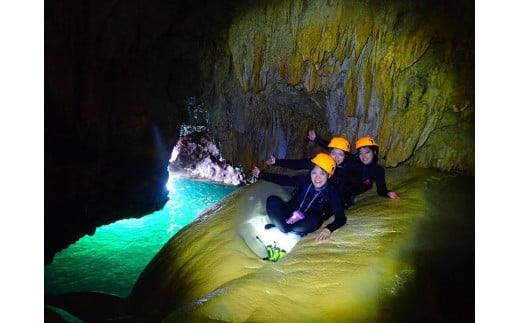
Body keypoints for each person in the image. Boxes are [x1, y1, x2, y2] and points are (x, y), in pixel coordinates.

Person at [252, 153, 346, 242]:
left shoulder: (331, 192)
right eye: (314, 173)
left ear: (329, 175)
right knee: (272, 201)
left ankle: (284, 227)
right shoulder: (305, 180)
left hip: (307, 221)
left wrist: (329, 229)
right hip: (291, 212)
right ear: (310, 173)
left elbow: (341, 218)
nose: (317, 177)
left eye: (322, 174)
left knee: (315, 221)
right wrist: (261, 174)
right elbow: (284, 180)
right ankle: (285, 227)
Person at [265, 133, 355, 208]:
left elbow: (345, 189)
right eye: (333, 153)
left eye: (340, 154)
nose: (336, 157)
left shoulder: (346, 169)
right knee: (305, 186)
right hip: (312, 193)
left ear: (345, 156)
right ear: (329, 153)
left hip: (326, 201)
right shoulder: (320, 162)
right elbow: (298, 164)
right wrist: (277, 161)